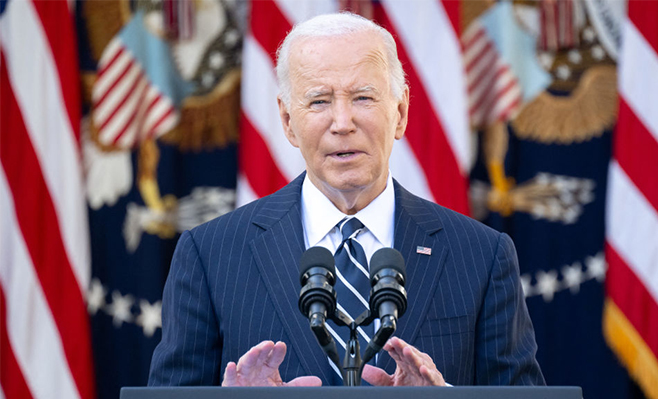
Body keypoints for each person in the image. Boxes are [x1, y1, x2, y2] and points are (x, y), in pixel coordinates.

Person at [148, 12, 544, 388]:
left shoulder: (481, 255)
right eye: (319, 101)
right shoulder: (210, 254)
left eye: (362, 98)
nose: (342, 122)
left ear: (401, 112)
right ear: (287, 121)